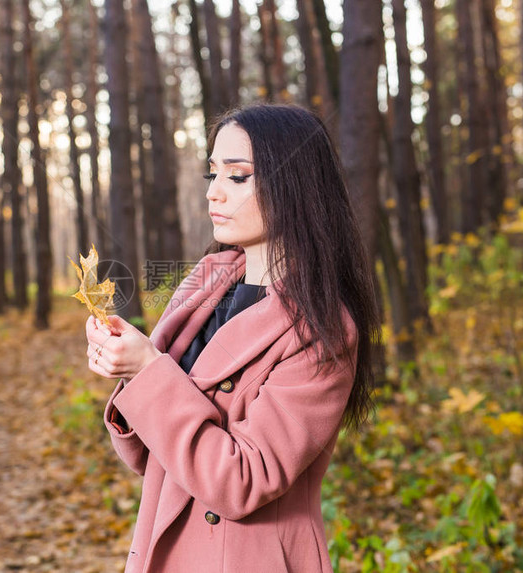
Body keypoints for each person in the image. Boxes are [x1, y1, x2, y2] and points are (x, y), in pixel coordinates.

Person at [84, 103, 380, 573]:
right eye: (212, 175)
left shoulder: (323, 326)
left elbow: (242, 482)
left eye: (237, 177)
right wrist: (128, 365)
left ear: (295, 186)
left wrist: (147, 371)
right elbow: (150, 455)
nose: (214, 194)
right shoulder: (208, 280)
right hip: (164, 543)